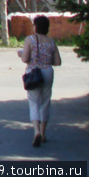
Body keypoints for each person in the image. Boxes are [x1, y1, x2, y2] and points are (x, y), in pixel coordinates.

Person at [18, 15, 62, 147]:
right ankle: (43, 133)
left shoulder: (30, 39)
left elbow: (25, 59)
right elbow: (58, 62)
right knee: (45, 102)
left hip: (33, 72)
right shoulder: (51, 42)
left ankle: (36, 131)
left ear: (35, 26)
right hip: (48, 72)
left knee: (34, 102)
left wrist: (22, 54)